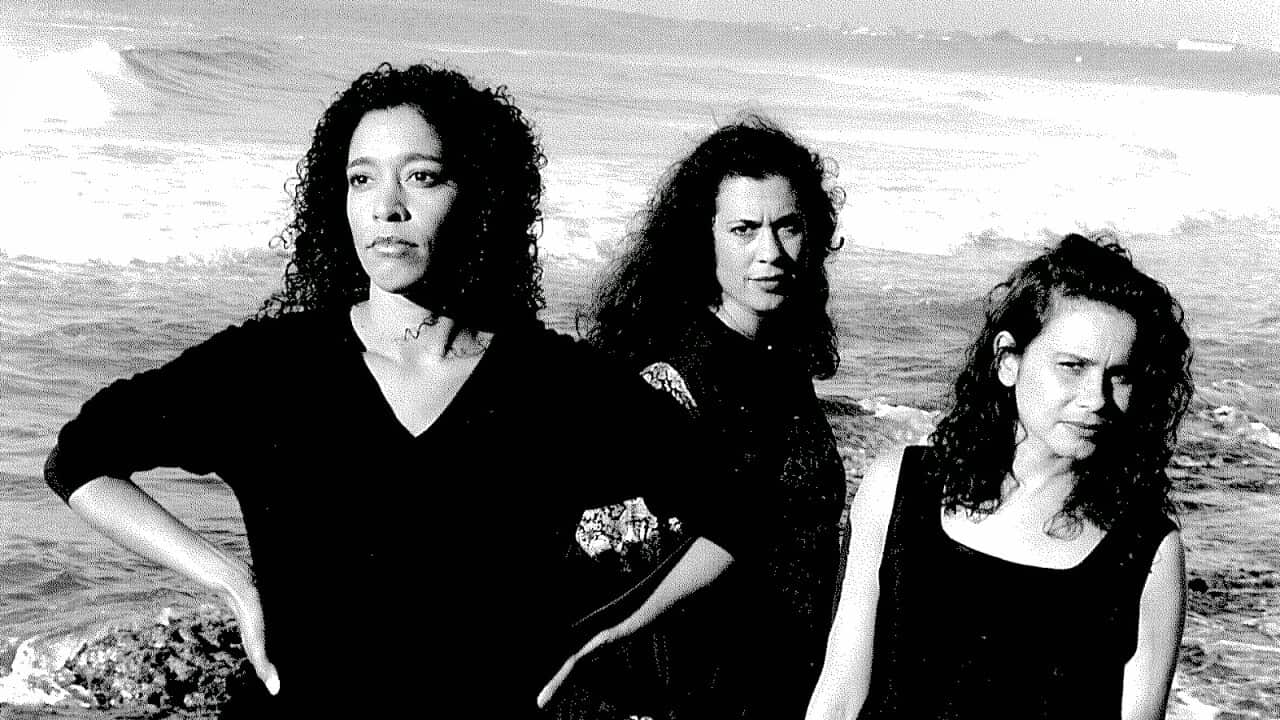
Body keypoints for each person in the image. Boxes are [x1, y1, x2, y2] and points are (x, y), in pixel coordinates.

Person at [43, 63, 742, 718]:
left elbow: (738, 509)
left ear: (479, 195)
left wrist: (605, 630)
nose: (388, 208)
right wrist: (229, 579)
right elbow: (78, 459)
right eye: (362, 180)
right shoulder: (269, 368)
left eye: (423, 177)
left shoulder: (555, 384)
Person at [806, 233, 1191, 720]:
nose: (1096, 398)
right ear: (1008, 361)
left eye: (1121, 376)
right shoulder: (898, 486)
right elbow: (839, 697)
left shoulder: (1146, 548)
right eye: (1072, 367)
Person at [580, 115, 847, 718]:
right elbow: (622, 568)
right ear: (704, 241)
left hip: (781, 684)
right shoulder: (673, 378)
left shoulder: (782, 361)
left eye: (788, 227)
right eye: (744, 229)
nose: (771, 252)